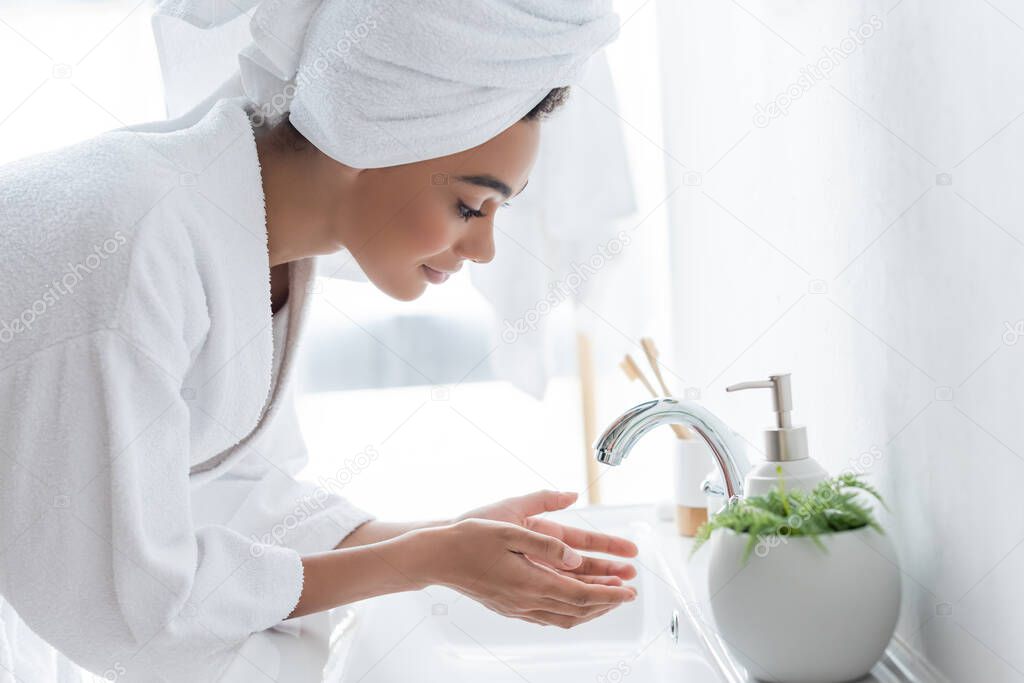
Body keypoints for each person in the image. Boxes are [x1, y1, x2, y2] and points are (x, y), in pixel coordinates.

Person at [0, 0, 636, 680]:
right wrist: (432, 559)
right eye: (469, 206)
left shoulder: (249, 240)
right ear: (377, 132)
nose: (483, 247)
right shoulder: (131, 248)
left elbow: (229, 494)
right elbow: (130, 607)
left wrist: (447, 538)